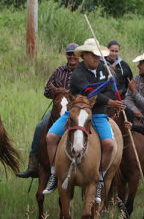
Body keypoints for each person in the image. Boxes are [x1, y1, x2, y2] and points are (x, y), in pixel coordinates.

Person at [43, 38, 126, 197]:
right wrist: (110, 101)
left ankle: (100, 178)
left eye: (98, 54)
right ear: (84, 56)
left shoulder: (104, 69)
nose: (96, 57)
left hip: (99, 113)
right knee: (51, 137)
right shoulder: (78, 74)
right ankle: (54, 174)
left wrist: (110, 99)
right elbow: (89, 92)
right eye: (93, 54)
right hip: (76, 112)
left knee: (109, 144)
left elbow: (109, 88)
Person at [16, 43, 79, 179]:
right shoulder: (59, 71)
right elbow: (46, 91)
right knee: (40, 127)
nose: (72, 57)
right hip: (58, 109)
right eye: (69, 54)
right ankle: (33, 164)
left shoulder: (82, 72)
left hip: (76, 110)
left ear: (79, 56)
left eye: (74, 54)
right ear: (66, 55)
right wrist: (57, 92)